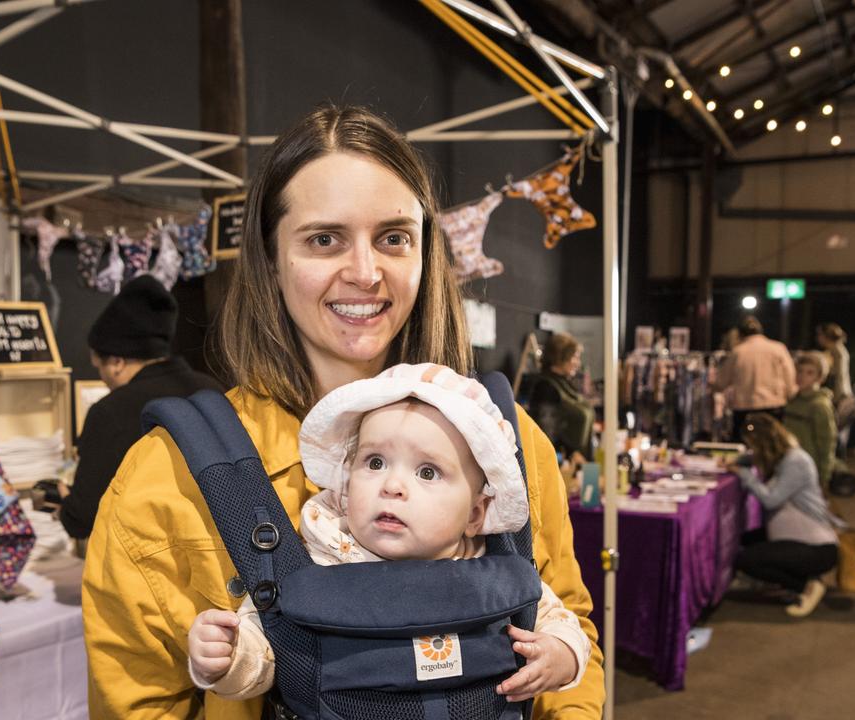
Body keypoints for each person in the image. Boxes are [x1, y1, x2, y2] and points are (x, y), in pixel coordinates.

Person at [81, 105, 604, 719]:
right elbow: (140, 703)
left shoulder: (504, 441)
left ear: (425, 255)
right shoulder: (166, 477)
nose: (364, 273)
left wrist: (562, 666)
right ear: (271, 258)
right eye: (324, 239)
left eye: (393, 237)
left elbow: (569, 645)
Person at [188, 364, 589, 703]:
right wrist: (228, 658)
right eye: (375, 462)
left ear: (476, 513)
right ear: (344, 487)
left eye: (427, 472)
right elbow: (268, 659)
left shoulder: (494, 573)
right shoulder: (320, 559)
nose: (392, 486)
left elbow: (561, 622)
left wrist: (561, 656)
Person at [56, 275, 221, 540]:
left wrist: (64, 504)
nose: (102, 378)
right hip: (223, 558)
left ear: (117, 362)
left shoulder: (110, 412)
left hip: (151, 567)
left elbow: (83, 519)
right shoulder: (214, 390)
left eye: (99, 367)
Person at [731, 413, 840, 618]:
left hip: (815, 547)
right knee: (742, 540)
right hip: (797, 539)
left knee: (746, 560)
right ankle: (796, 580)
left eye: (754, 446)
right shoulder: (785, 458)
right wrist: (741, 460)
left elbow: (771, 499)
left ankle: (803, 585)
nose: (754, 452)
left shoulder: (795, 461)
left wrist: (744, 475)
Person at [714, 316, 797, 440]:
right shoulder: (778, 348)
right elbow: (790, 377)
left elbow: (721, 382)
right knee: (772, 442)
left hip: (744, 409)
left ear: (740, 334)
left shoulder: (737, 352)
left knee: (745, 443)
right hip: (773, 406)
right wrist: (790, 394)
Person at [527, 331, 595, 462]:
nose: (578, 363)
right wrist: (569, 454)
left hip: (580, 464)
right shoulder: (545, 387)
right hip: (564, 466)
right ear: (560, 357)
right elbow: (546, 433)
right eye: (574, 357)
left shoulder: (565, 383)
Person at [783, 351, 837, 492]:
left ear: (820, 377)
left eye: (810, 373)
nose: (802, 376)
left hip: (809, 470)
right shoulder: (792, 401)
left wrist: (824, 477)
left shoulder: (819, 405)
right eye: (800, 371)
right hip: (789, 466)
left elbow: (827, 444)